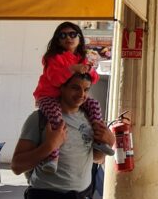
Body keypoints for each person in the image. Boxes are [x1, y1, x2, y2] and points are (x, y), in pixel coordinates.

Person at [33, 22, 112, 172]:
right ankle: (52, 156)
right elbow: (55, 79)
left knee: (94, 105)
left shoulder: (81, 58)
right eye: (63, 35)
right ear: (57, 40)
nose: (68, 38)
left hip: (71, 97)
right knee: (56, 120)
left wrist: (88, 70)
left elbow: (93, 79)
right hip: (49, 96)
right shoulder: (53, 58)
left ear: (79, 38)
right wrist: (72, 69)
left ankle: (99, 140)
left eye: (72, 34)